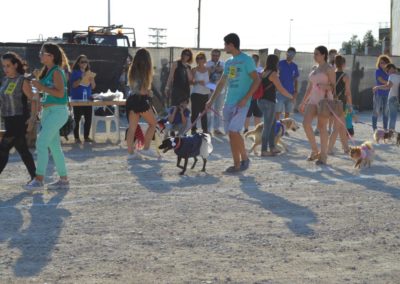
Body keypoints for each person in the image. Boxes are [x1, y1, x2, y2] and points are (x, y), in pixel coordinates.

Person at [206, 33, 260, 173]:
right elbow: (222, 82)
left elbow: (257, 80)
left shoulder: (247, 60)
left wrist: (245, 98)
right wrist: (211, 101)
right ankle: (237, 164)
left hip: (242, 104)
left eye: (225, 44)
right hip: (228, 102)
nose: (224, 47)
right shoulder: (229, 62)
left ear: (231, 45)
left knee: (233, 130)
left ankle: (245, 159)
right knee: (232, 134)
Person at [24, 43, 70, 190]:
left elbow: (61, 94)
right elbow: (40, 95)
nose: (40, 55)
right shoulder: (47, 71)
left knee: (41, 143)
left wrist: (40, 87)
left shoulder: (57, 71)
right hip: (49, 112)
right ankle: (63, 180)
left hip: (58, 112)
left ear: (51, 56)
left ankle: (39, 179)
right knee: (54, 146)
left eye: (43, 53)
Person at [0, 52, 38, 183]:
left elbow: (34, 99)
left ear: (15, 65)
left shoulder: (22, 80)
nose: (5, 69)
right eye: (3, 66)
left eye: (8, 65)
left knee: (3, 148)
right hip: (8, 120)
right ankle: (35, 177)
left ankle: (35, 178)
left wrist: (33, 118)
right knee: (23, 150)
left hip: (19, 120)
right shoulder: (5, 80)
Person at [299, 46, 336, 165]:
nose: (314, 56)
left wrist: (325, 86)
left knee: (321, 127)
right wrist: (303, 102)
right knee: (305, 123)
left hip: (324, 100)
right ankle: (315, 150)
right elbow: (309, 87)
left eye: (317, 54)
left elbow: (334, 87)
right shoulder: (314, 68)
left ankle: (323, 156)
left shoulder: (329, 69)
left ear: (324, 55)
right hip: (313, 100)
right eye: (314, 54)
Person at [125, 48, 158, 159]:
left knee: (132, 128)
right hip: (140, 100)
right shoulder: (144, 71)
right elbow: (143, 91)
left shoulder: (132, 69)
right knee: (153, 124)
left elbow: (133, 87)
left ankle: (130, 153)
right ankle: (146, 148)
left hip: (131, 100)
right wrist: (149, 93)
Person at [258, 54, 293, 156]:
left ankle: (272, 147)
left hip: (261, 101)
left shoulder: (263, 72)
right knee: (268, 126)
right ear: (275, 63)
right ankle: (264, 150)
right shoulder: (273, 74)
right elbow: (281, 89)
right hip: (269, 102)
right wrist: (290, 96)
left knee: (273, 124)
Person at [327, 55, 352, 155]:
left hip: (332, 103)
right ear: (344, 64)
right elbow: (348, 92)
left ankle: (346, 148)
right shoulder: (345, 76)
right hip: (341, 104)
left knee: (342, 126)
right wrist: (350, 106)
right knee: (337, 127)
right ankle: (329, 149)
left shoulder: (331, 74)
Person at [69, 55, 96, 143]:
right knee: (77, 119)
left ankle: (86, 137)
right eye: (82, 62)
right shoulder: (75, 72)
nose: (84, 63)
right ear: (78, 63)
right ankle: (76, 138)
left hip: (87, 99)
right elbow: (73, 85)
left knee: (88, 118)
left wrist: (92, 81)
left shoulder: (89, 72)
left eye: (86, 62)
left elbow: (93, 87)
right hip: (77, 99)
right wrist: (81, 77)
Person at [373, 63, 400, 131]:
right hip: (398, 98)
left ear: (391, 68)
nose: (387, 73)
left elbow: (388, 86)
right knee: (394, 116)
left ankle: (391, 133)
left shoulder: (392, 76)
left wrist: (378, 87)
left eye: (387, 71)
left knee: (393, 117)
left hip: (392, 98)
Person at [275, 47, 299, 120]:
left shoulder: (295, 66)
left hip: (290, 93)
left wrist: (295, 92)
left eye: (293, 54)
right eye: (289, 53)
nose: (291, 55)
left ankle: (284, 129)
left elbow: (296, 80)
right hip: (279, 93)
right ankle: (277, 127)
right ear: (286, 53)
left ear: (294, 55)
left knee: (288, 113)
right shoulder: (280, 64)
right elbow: (275, 77)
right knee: (278, 112)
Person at [206, 49, 225, 135]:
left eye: (217, 55)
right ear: (211, 55)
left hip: (220, 89)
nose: (215, 57)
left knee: (218, 110)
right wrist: (212, 70)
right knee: (209, 110)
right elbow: (206, 77)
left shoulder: (223, 64)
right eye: (213, 55)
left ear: (219, 56)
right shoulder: (207, 64)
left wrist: (221, 70)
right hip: (210, 88)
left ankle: (216, 129)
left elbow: (227, 76)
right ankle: (208, 129)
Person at [191, 52, 211, 134]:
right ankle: (193, 129)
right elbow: (190, 82)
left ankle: (205, 130)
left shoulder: (208, 70)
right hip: (196, 93)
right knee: (195, 113)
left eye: (201, 58)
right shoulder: (194, 69)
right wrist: (198, 81)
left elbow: (211, 83)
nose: (200, 60)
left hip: (205, 94)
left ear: (205, 59)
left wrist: (209, 85)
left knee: (204, 113)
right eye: (198, 58)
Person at [244, 54, 263, 133]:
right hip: (250, 95)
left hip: (259, 96)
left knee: (257, 115)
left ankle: (257, 130)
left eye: (255, 60)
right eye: (252, 59)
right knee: (247, 114)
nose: (254, 61)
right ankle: (246, 130)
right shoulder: (247, 69)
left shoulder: (261, 70)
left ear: (258, 61)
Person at [372, 55, 391, 131]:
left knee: (386, 112)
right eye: (380, 63)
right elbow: (380, 80)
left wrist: (390, 84)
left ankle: (385, 129)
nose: (381, 64)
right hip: (378, 94)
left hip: (387, 94)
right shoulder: (378, 71)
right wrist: (389, 83)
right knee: (376, 111)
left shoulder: (390, 72)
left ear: (387, 63)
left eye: (383, 63)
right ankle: (374, 128)